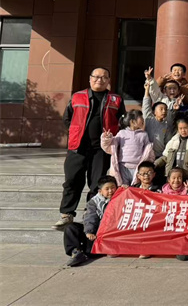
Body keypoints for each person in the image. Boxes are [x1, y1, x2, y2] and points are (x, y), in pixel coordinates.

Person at [54, 67, 126, 230]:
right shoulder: (77, 96)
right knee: (72, 181)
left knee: (96, 183)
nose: (99, 80)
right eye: (96, 77)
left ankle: (91, 213)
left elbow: (121, 123)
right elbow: (67, 119)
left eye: (104, 77)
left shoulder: (115, 99)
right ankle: (67, 214)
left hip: (101, 150)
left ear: (109, 81)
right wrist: (75, 132)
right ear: (90, 78)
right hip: (77, 147)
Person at [63, 175, 118, 267]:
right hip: (94, 231)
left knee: (90, 252)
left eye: (113, 188)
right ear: (100, 191)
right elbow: (90, 217)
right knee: (70, 227)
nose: (110, 191)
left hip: (107, 233)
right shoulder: (94, 202)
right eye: (107, 189)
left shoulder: (120, 197)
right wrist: (89, 231)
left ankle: (84, 253)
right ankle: (75, 251)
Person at [100, 110, 155, 187]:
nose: (143, 119)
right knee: (123, 187)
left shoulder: (143, 134)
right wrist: (107, 138)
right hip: (123, 166)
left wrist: (150, 160)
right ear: (132, 121)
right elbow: (111, 145)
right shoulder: (122, 133)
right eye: (140, 117)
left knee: (135, 186)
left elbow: (148, 150)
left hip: (137, 167)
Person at [142, 79, 175, 159]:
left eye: (165, 109)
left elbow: (168, 142)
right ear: (154, 112)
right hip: (146, 154)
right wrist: (147, 90)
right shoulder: (148, 119)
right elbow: (146, 105)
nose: (164, 111)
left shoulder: (166, 125)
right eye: (161, 109)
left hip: (159, 156)